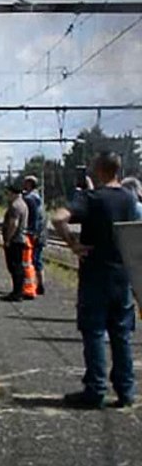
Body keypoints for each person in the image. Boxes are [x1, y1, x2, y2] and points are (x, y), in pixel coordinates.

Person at [52, 152, 142, 409]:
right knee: (121, 334)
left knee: (94, 333)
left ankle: (95, 389)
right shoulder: (130, 198)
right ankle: (126, 391)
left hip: (95, 274)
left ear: (99, 170)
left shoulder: (91, 198)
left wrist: (73, 244)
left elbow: (59, 217)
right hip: (122, 274)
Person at [1, 182, 30, 301]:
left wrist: (8, 239)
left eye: (8, 193)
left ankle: (17, 293)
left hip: (15, 240)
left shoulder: (15, 206)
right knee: (18, 266)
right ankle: (18, 291)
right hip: (20, 239)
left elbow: (13, 224)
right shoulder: (23, 204)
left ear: (12, 193)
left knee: (15, 266)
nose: (7, 195)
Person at [22, 175, 47, 296]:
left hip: (35, 234)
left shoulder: (31, 198)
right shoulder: (38, 197)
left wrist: (32, 232)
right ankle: (40, 284)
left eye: (25, 182)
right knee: (38, 259)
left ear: (30, 184)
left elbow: (34, 217)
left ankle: (37, 285)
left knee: (34, 260)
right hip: (41, 232)